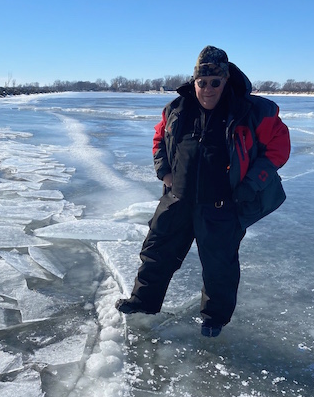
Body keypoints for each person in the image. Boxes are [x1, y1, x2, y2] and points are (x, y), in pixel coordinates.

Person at [115, 46, 290, 337]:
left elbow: (279, 148)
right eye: (202, 82)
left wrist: (252, 184)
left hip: (222, 205)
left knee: (219, 266)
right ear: (194, 81)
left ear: (226, 80)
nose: (207, 89)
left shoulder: (253, 111)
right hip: (178, 199)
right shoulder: (176, 109)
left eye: (215, 82)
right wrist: (164, 171)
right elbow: (159, 138)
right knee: (156, 252)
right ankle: (142, 303)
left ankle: (214, 319)